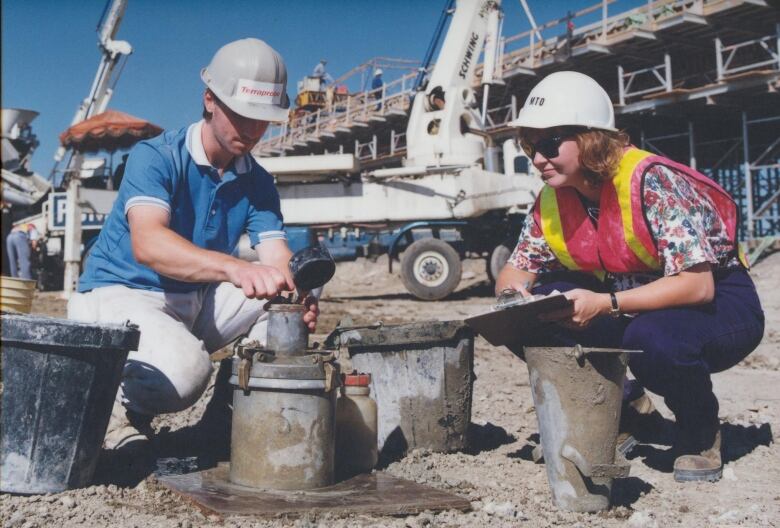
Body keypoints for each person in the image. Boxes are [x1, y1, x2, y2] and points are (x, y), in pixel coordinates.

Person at [496, 71, 764, 483]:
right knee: (527, 316)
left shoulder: (651, 182)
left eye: (549, 145)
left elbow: (698, 285)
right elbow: (516, 270)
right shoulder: (553, 197)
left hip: (718, 302)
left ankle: (699, 430)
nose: (536, 159)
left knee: (652, 339)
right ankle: (626, 410)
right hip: (628, 298)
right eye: (532, 146)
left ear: (589, 139)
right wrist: (514, 298)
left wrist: (605, 304)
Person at [68, 38, 319, 450]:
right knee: (186, 375)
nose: (254, 130)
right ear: (209, 100)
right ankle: (108, 403)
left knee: (295, 284)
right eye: (243, 115)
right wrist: (234, 267)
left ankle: (232, 409)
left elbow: (278, 258)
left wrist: (299, 294)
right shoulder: (157, 157)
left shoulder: (258, 181)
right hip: (120, 293)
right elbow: (148, 245)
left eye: (263, 119)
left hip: (191, 299)